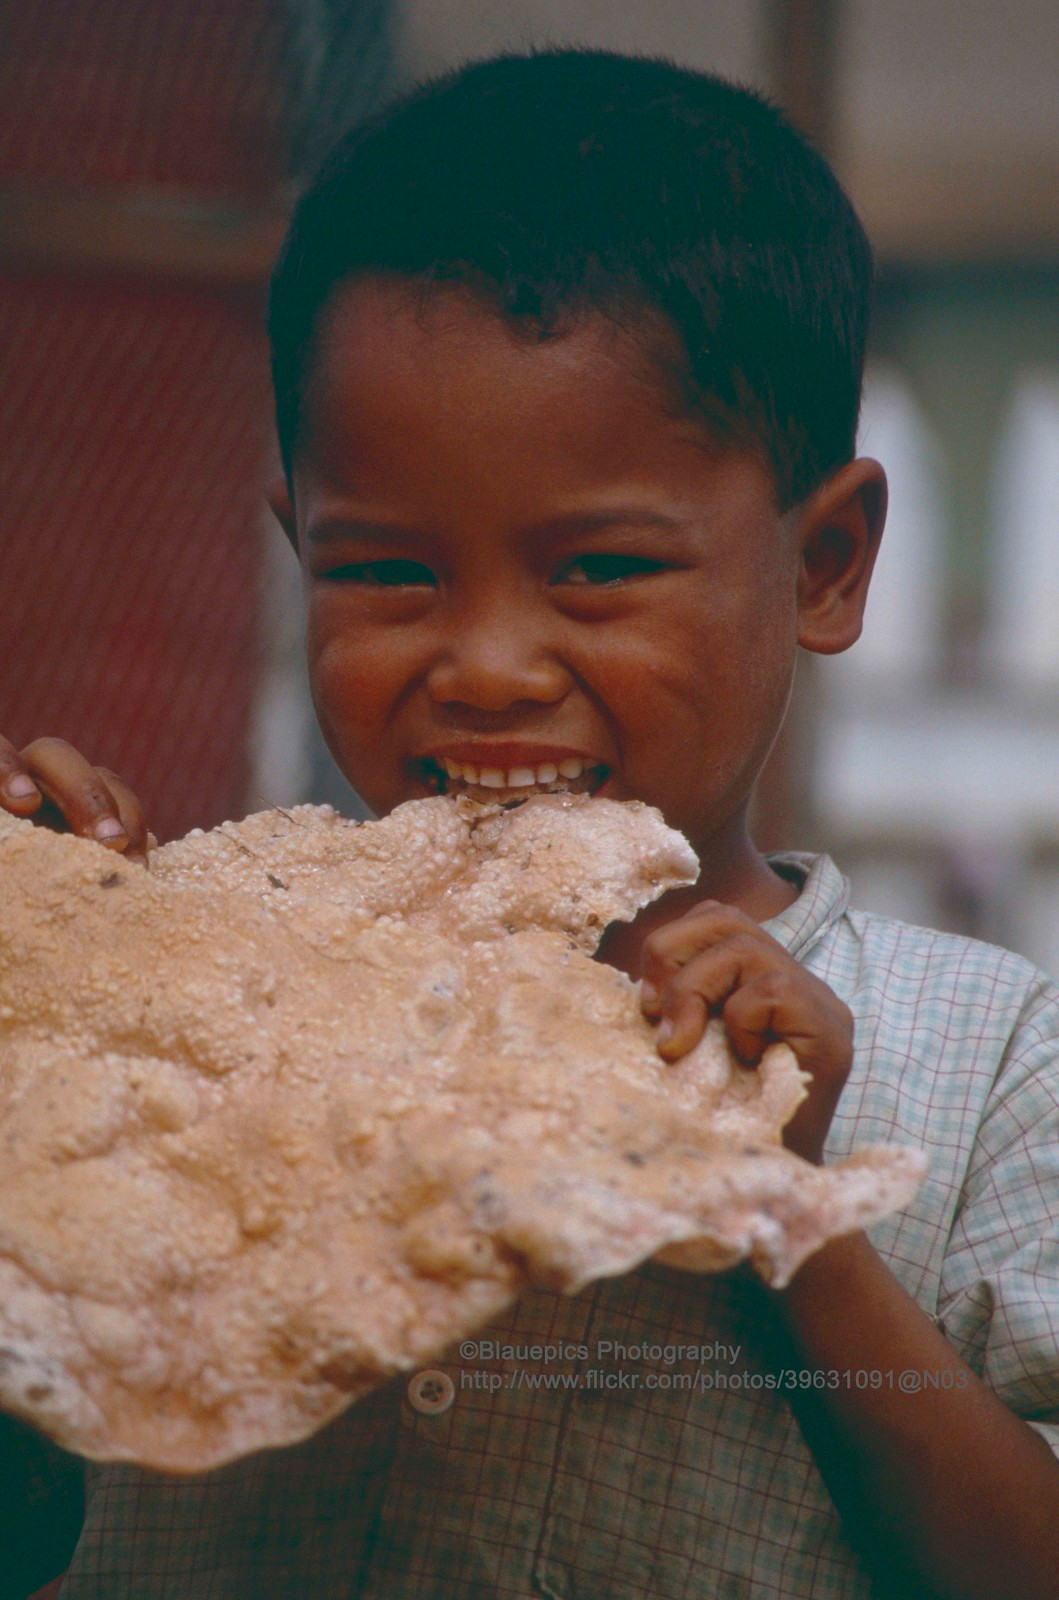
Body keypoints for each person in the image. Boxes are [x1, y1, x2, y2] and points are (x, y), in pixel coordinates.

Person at [2, 48, 1057, 1600]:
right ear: (299, 546)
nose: (485, 666)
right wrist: (53, 1042)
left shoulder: (991, 1062)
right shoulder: (186, 1016)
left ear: (826, 563)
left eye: (599, 572)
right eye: (384, 575)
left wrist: (790, 1214)